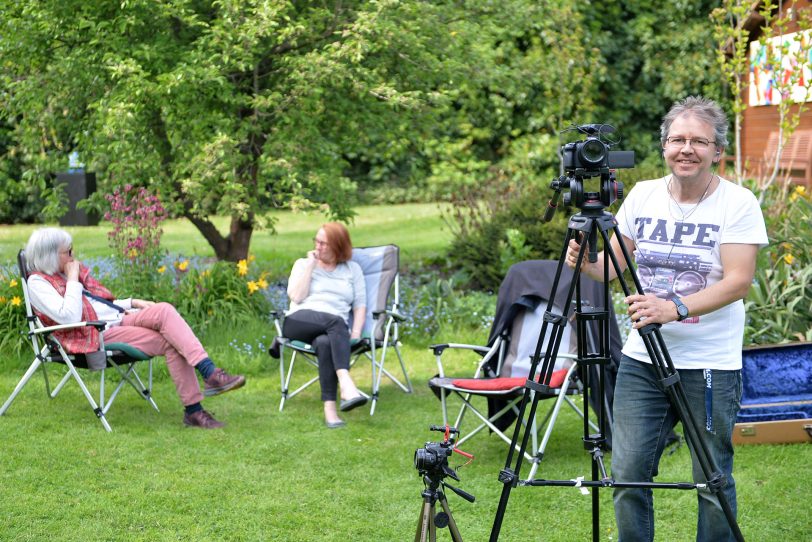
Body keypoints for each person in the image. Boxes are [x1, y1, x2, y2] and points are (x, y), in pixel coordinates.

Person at [566, 96, 767, 541]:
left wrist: (672, 307)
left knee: (711, 476)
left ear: (717, 151)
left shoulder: (737, 203)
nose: (686, 149)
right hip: (644, 360)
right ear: (664, 146)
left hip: (709, 362)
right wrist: (584, 261)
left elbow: (738, 281)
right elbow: (614, 267)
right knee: (627, 474)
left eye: (699, 141)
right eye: (678, 139)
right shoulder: (643, 195)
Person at [25, 227, 246, 429]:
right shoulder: (39, 283)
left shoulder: (63, 275)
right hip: (94, 333)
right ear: (52, 255)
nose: (73, 256)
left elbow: (96, 305)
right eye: (69, 252)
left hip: (118, 318)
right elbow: (69, 316)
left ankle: (210, 373)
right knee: (170, 341)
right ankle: (195, 411)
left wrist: (132, 302)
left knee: (164, 310)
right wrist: (73, 278)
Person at [273, 222, 367, 428]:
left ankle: (330, 411)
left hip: (332, 331)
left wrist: (357, 331)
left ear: (338, 246)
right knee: (336, 322)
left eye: (324, 243)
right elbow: (296, 297)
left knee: (325, 343)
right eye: (316, 241)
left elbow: (360, 306)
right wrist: (310, 266)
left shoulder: (353, 270)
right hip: (299, 322)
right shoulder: (302, 264)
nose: (318, 246)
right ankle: (346, 382)